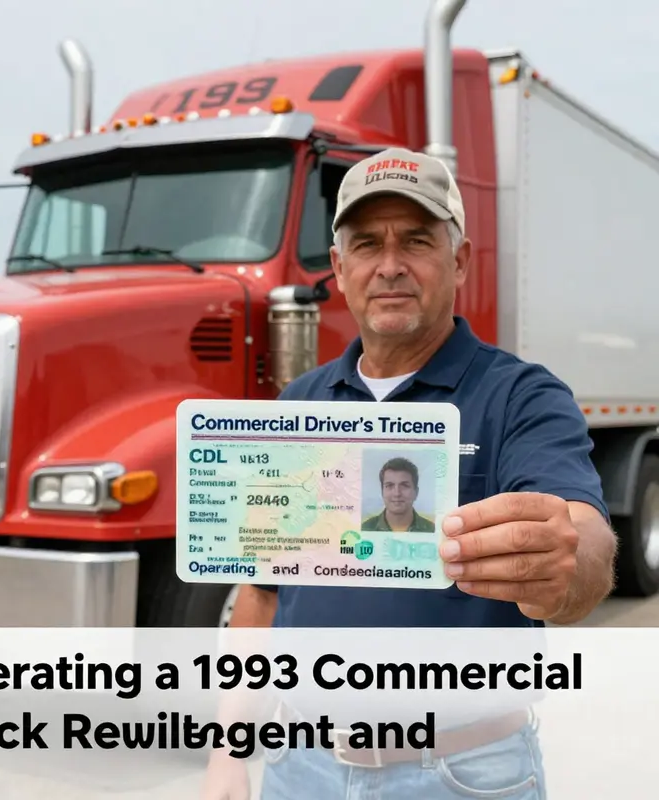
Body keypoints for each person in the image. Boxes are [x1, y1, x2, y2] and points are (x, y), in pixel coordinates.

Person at [201, 145, 617, 799]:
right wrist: (228, 752)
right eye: (367, 244)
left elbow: (582, 538)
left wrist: (568, 565)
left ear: (460, 259)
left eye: (416, 240)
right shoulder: (299, 405)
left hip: (461, 775)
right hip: (301, 768)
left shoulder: (521, 397)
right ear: (340, 268)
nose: (390, 265)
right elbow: (263, 592)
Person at [361, 456, 435, 532]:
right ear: (382, 491)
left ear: (416, 492)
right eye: (389, 485)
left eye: (404, 486)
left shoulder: (432, 530)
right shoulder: (365, 529)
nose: (397, 493)